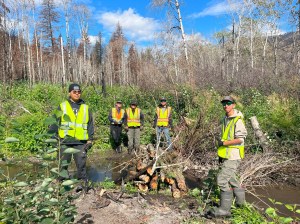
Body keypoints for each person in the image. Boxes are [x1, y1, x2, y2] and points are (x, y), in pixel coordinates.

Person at [208, 96, 247, 218]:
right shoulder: (225, 118)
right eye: (224, 104)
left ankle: (225, 210)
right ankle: (241, 205)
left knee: (222, 180)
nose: (225, 106)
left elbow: (240, 139)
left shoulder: (238, 120)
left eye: (228, 103)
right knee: (231, 179)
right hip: (226, 154)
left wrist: (223, 143)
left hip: (234, 155)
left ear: (233, 105)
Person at [51, 83, 94, 189]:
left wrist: (90, 139)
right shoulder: (62, 106)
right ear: (69, 93)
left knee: (81, 164)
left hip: (80, 142)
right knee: (62, 164)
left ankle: (83, 185)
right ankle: (61, 184)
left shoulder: (85, 108)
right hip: (65, 141)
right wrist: (54, 138)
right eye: (74, 92)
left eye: (79, 92)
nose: (77, 94)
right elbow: (55, 122)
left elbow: (90, 124)